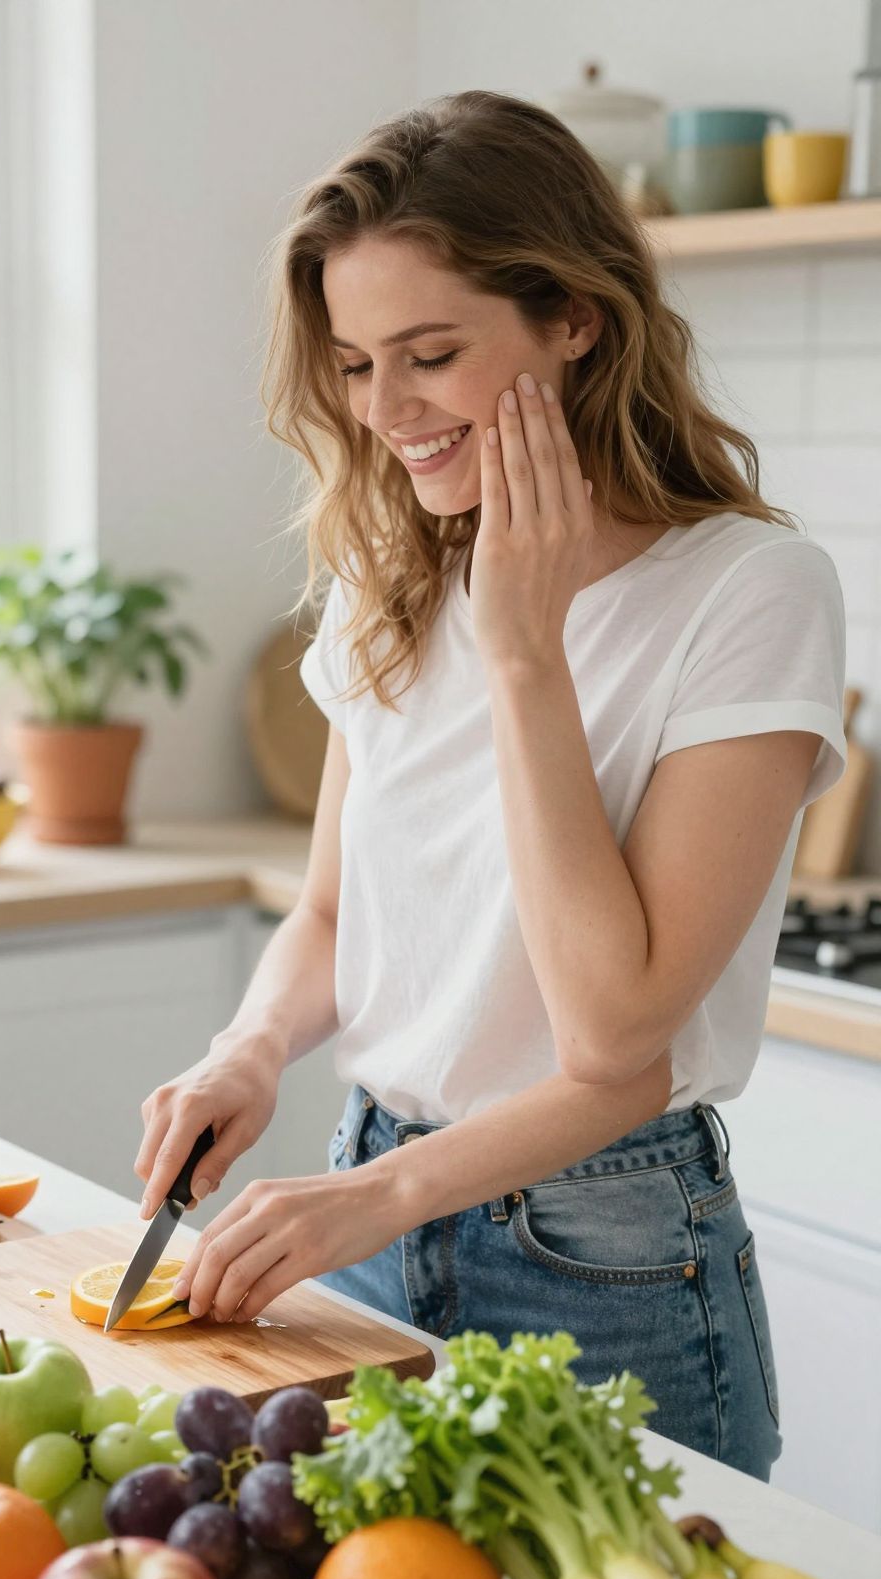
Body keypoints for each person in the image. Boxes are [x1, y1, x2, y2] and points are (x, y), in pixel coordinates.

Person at [135, 90, 846, 1480]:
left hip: (601, 1255)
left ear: (574, 317)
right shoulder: (388, 572)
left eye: (432, 354)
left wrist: (526, 651)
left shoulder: (750, 592)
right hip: (360, 1206)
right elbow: (337, 917)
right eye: (352, 365)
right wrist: (250, 1049)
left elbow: (615, 1035)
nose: (386, 412)